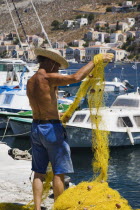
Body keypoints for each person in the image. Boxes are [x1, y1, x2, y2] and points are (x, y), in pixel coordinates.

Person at [27, 47, 113, 210]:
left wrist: (56, 112)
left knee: (39, 172)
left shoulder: (30, 80)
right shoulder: (48, 77)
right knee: (59, 172)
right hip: (51, 129)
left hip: (36, 127)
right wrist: (95, 60)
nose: (59, 68)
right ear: (50, 62)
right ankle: (58, 207)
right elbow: (76, 77)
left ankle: (37, 208)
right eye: (57, 65)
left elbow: (42, 102)